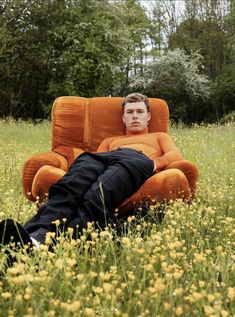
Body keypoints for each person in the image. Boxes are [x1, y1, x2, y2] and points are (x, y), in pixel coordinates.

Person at [0, 93, 183, 250]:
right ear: (123, 118)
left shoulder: (160, 136)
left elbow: (175, 154)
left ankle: (62, 244)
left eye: (139, 111)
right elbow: (98, 159)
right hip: (103, 158)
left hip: (138, 159)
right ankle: (32, 239)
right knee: (70, 188)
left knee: (98, 193)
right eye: (130, 112)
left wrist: (153, 164)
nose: (135, 116)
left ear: (148, 116)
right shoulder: (111, 140)